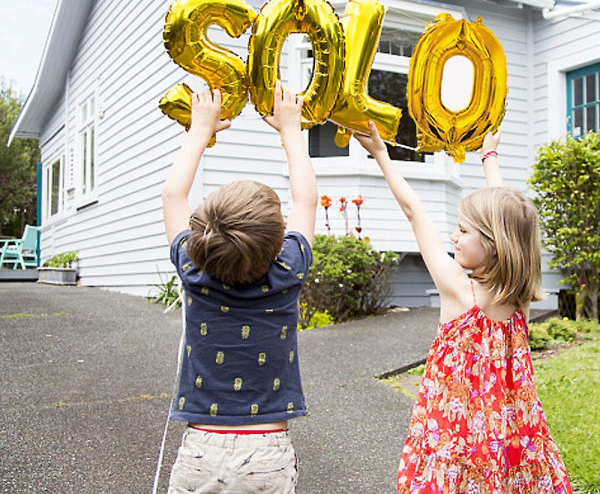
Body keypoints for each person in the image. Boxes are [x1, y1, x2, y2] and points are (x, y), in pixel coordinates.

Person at [354, 124, 572, 493]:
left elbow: (415, 212)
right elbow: (508, 218)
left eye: (463, 230)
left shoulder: (458, 289)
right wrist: (489, 159)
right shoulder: (518, 297)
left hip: (454, 436)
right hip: (511, 435)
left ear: (494, 243)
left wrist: (381, 155)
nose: (454, 236)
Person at [162, 81, 317, 493]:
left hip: (200, 446)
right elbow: (307, 201)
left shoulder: (194, 271)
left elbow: (172, 194)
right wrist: (291, 130)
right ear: (280, 237)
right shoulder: (288, 271)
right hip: (266, 452)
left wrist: (200, 129)